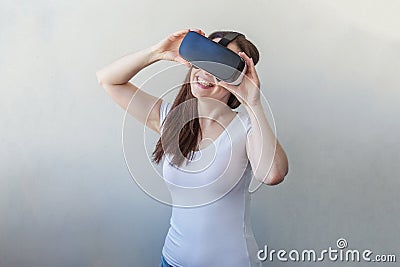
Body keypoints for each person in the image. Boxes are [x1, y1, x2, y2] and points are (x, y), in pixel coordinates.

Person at [96, 28, 289, 267]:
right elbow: (108, 80)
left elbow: (272, 174)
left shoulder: (247, 128)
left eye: (221, 67)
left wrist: (253, 102)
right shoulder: (170, 120)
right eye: (203, 60)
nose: (206, 72)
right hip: (172, 261)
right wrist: (157, 52)